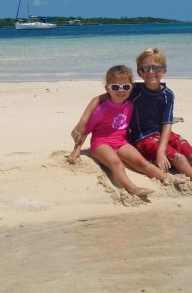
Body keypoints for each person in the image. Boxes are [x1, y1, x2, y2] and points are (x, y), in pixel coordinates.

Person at [72, 48, 192, 201]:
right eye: (146, 68)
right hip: (138, 139)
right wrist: (79, 135)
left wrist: (161, 150)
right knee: (179, 159)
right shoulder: (132, 91)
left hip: (151, 137)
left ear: (164, 70)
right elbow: (104, 97)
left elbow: (167, 123)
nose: (151, 72)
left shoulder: (162, 94)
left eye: (156, 68)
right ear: (140, 72)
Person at [68, 64, 172, 198]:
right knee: (117, 164)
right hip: (101, 144)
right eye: (116, 87)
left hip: (121, 142)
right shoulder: (101, 109)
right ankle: (132, 188)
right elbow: (86, 129)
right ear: (107, 89)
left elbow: (128, 127)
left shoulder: (130, 105)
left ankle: (168, 180)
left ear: (131, 89)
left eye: (126, 87)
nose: (121, 91)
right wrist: (77, 149)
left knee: (142, 163)